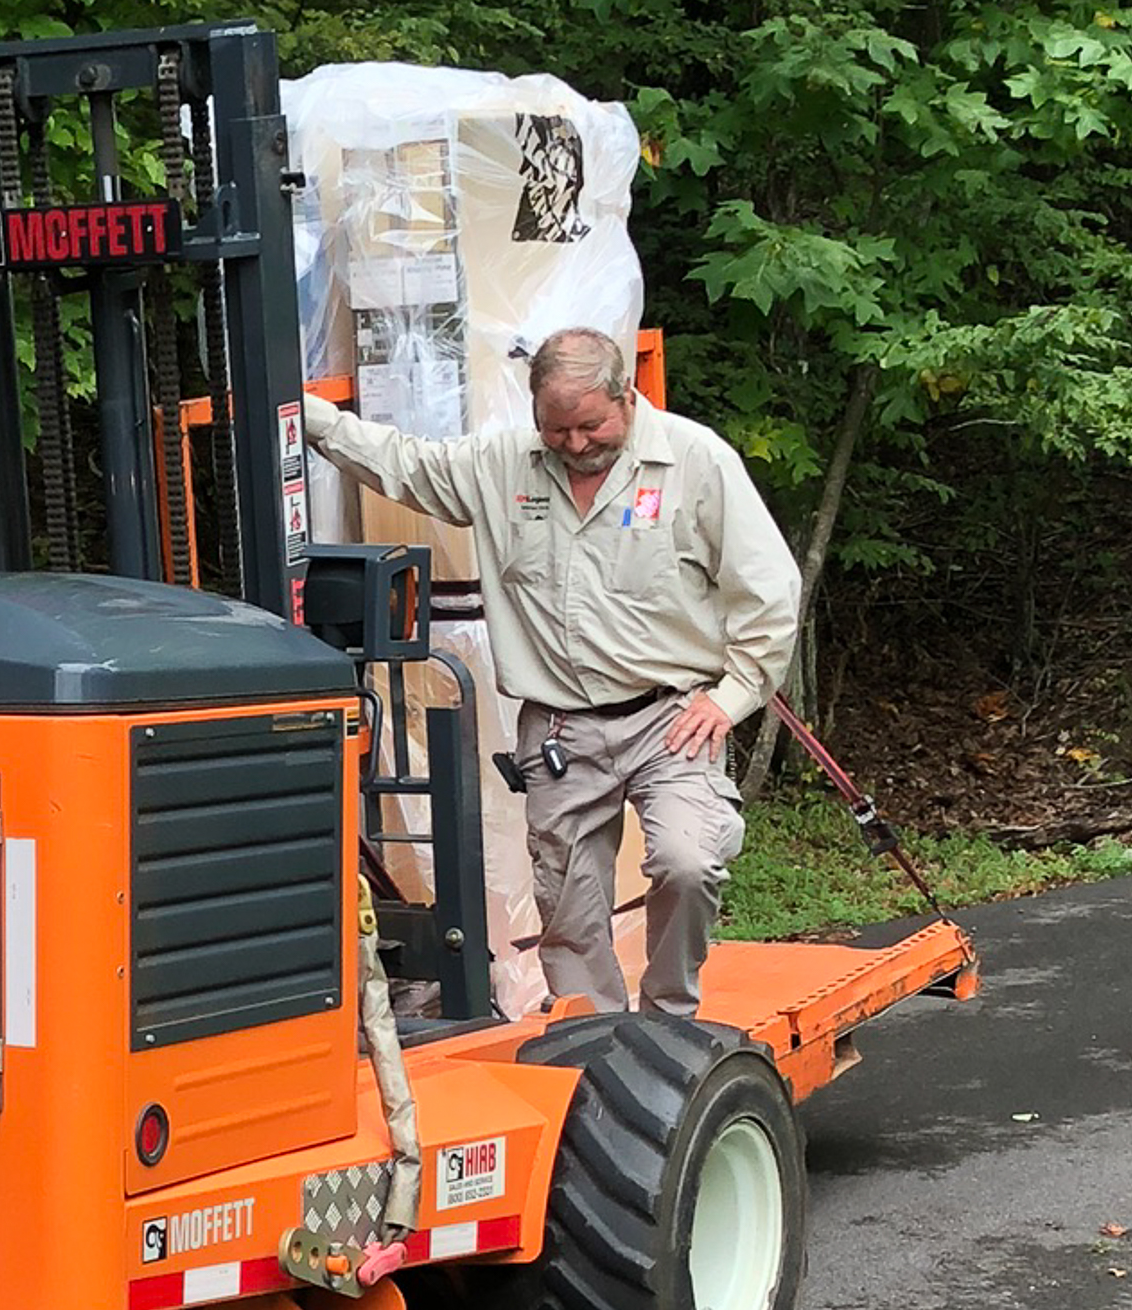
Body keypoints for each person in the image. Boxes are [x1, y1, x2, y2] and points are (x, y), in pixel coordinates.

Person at [302, 326, 800, 1018]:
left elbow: (769, 588)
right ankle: (595, 1032)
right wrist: (306, 416)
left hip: (671, 716)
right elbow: (403, 463)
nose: (573, 444)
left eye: (590, 425)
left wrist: (734, 694)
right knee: (568, 901)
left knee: (688, 862)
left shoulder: (695, 461)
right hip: (561, 726)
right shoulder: (506, 463)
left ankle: (668, 1021)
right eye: (555, 428)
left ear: (625, 397)